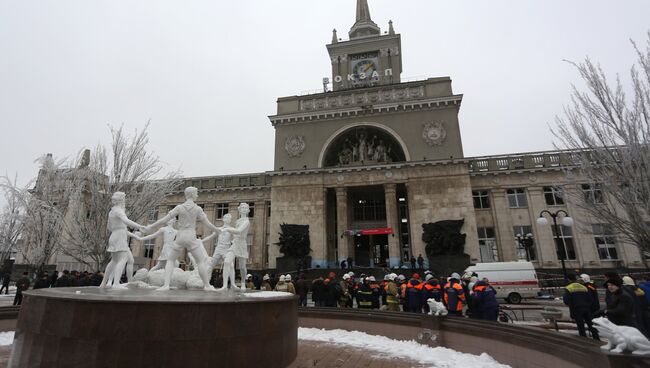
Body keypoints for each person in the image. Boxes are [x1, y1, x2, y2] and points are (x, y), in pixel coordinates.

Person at [144, 187, 221, 291]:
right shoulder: (197, 209)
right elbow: (208, 223)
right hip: (191, 236)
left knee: (170, 260)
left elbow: (164, 220)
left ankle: (166, 285)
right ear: (192, 195)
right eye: (196, 193)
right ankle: (207, 285)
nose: (197, 195)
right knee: (201, 261)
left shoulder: (179, 207)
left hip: (180, 235)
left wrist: (151, 226)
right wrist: (217, 230)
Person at [100, 192, 145, 289]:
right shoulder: (119, 211)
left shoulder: (111, 212)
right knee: (123, 259)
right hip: (119, 236)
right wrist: (139, 226)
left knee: (114, 260)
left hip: (114, 235)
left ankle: (104, 283)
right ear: (121, 200)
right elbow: (126, 221)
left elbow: (109, 227)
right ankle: (116, 283)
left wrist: (120, 229)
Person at [219, 203, 251, 291]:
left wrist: (227, 229)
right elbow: (234, 233)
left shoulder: (246, 221)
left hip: (242, 243)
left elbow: (239, 231)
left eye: (246, 208)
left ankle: (243, 282)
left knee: (242, 267)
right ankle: (225, 285)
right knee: (227, 262)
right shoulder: (237, 221)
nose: (244, 209)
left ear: (248, 210)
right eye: (242, 207)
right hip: (235, 243)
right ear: (239, 210)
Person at [563, 273, 599, 339]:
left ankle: (584, 341)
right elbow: (590, 298)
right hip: (587, 309)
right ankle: (597, 339)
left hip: (576, 309)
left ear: (568, 279)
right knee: (591, 325)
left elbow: (567, 301)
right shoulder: (583, 286)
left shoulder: (568, 288)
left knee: (581, 326)